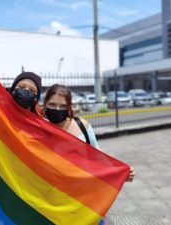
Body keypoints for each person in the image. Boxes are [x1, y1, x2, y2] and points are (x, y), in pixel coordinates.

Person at [43, 84, 135, 225]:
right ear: (45, 104)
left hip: (84, 196)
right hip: (55, 199)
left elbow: (97, 155)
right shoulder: (39, 129)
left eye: (62, 106)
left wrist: (119, 170)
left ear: (69, 107)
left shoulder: (82, 126)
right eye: (52, 104)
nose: (57, 109)